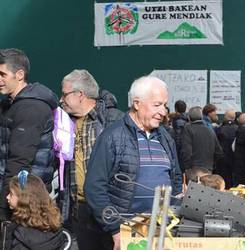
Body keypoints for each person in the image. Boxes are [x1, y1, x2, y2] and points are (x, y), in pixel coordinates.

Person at [84, 76, 182, 250]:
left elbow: (175, 180)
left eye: (165, 105)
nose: (164, 112)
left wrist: (172, 217)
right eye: (157, 105)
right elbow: (94, 187)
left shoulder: (166, 138)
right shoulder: (111, 137)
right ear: (137, 104)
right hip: (125, 233)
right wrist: (115, 229)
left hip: (161, 232)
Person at [59, 69, 124, 249]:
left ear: (80, 95)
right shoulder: (64, 123)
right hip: (78, 211)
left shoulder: (114, 120)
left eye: (64, 94)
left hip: (109, 209)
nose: (61, 99)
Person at [0, 49, 58, 221]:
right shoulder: (11, 104)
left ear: (19, 74)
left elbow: (20, 161)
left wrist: (5, 203)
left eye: (2, 74)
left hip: (25, 199)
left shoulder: (32, 108)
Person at [2, 171, 66, 250]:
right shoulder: (55, 226)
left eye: (11, 194)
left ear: (24, 199)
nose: (7, 197)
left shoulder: (20, 237)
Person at [180, 106, 223, 171]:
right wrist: (211, 165)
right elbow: (219, 152)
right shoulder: (210, 130)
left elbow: (186, 151)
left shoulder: (188, 129)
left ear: (189, 118)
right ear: (202, 117)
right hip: (208, 169)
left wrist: (187, 167)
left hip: (194, 169)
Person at [216, 109, 238, 189]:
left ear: (225, 117)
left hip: (222, 160)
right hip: (235, 159)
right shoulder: (238, 129)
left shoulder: (219, 129)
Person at [171, 100, 189, 166]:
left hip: (180, 151)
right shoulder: (188, 119)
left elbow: (178, 138)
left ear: (175, 109)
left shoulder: (178, 121)